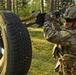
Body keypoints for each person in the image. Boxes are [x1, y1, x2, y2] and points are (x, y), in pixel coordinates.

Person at [43, 5, 76, 75]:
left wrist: (47, 21)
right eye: (66, 19)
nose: (66, 22)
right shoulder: (71, 32)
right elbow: (61, 31)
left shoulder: (71, 35)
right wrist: (55, 20)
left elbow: (50, 36)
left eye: (69, 20)